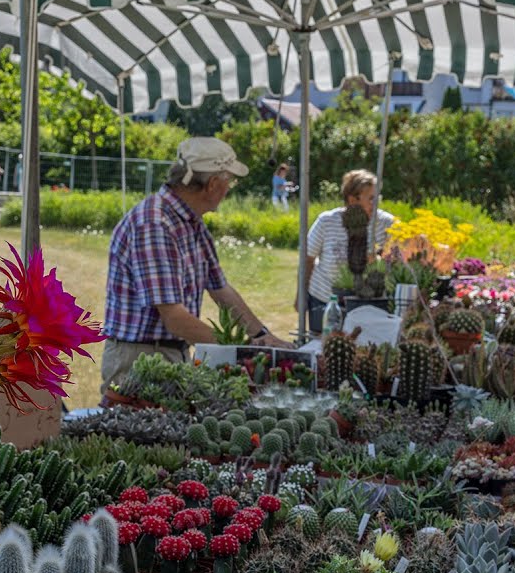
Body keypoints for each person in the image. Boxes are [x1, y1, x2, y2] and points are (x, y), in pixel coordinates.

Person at [101, 137, 291, 395]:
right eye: (229, 181)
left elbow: (221, 290)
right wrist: (242, 349)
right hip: (138, 359)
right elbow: (175, 318)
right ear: (213, 184)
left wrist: (263, 337)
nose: (229, 189)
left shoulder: (192, 222)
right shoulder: (155, 224)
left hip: (169, 352)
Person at [297, 169, 397, 333]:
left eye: (377, 198)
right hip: (324, 299)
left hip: (368, 303)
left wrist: (378, 259)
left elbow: (397, 260)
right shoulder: (327, 221)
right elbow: (307, 259)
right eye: (371, 198)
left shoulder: (386, 223)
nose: (376, 204)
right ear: (352, 199)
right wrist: (301, 296)